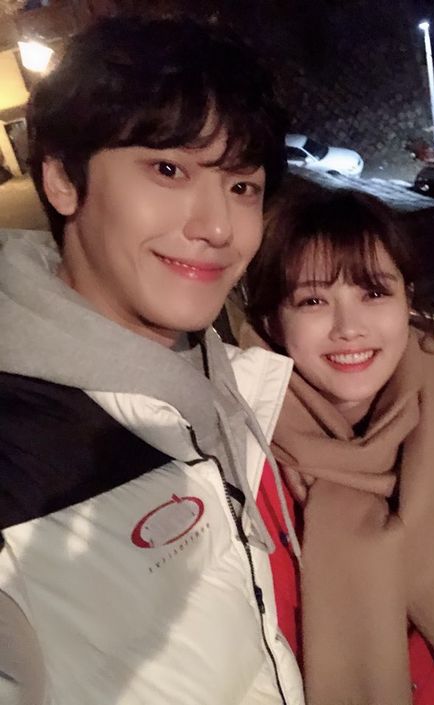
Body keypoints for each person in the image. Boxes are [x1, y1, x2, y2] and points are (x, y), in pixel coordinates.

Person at [0, 16, 305, 705]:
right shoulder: (20, 453)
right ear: (62, 180)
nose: (218, 227)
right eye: (169, 170)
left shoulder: (213, 372)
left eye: (242, 186)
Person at [242, 177, 434, 705]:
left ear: (407, 300)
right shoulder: (245, 476)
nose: (349, 328)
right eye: (312, 300)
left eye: (373, 293)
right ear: (273, 321)